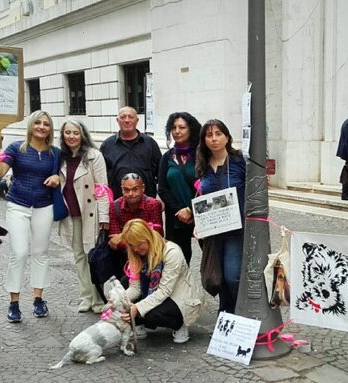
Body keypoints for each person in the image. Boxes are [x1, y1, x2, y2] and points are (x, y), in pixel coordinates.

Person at [0, 110, 61, 322]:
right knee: (19, 252)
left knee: (40, 252)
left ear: (50, 129)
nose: (41, 127)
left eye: (46, 124)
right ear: (31, 125)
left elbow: (63, 174)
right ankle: (14, 302)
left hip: (44, 205)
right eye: (37, 123)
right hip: (18, 204)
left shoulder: (54, 153)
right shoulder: (16, 148)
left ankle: (39, 299)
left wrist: (57, 176)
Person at [118, 219, 203, 344]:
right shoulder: (135, 253)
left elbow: (165, 291)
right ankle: (138, 322)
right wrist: (120, 301)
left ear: (148, 237)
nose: (136, 249)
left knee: (151, 314)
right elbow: (135, 287)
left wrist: (137, 308)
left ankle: (179, 324)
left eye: (139, 244)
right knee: (124, 283)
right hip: (155, 291)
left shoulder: (172, 252)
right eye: (131, 245)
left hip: (177, 296)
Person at [57, 118, 110, 313]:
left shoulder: (93, 156)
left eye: (75, 133)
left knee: (92, 256)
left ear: (83, 135)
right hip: (71, 214)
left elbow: (102, 187)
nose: (71, 136)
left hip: (90, 213)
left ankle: (98, 299)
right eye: (68, 132)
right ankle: (85, 296)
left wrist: (104, 216)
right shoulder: (59, 157)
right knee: (78, 256)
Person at [196, 119, 246, 314]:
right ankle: (225, 316)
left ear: (227, 137)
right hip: (213, 231)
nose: (214, 139)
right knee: (219, 277)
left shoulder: (240, 161)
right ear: (204, 139)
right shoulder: (202, 164)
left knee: (233, 276)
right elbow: (202, 198)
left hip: (236, 229)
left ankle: (240, 313)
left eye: (218, 134)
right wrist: (197, 221)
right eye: (209, 135)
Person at [158, 112, 201, 265]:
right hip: (176, 217)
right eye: (174, 127)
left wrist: (190, 209)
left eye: (182, 127)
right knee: (179, 262)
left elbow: (210, 185)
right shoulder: (167, 157)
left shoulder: (202, 155)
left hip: (202, 215)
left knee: (213, 263)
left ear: (191, 130)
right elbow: (162, 189)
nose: (177, 131)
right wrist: (179, 211)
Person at [100, 106, 162, 199]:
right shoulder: (107, 145)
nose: (127, 120)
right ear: (117, 120)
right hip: (117, 204)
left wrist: (161, 198)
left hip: (147, 203)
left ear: (137, 120)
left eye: (130, 117)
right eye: (123, 117)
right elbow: (101, 177)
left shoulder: (150, 143)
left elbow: (161, 173)